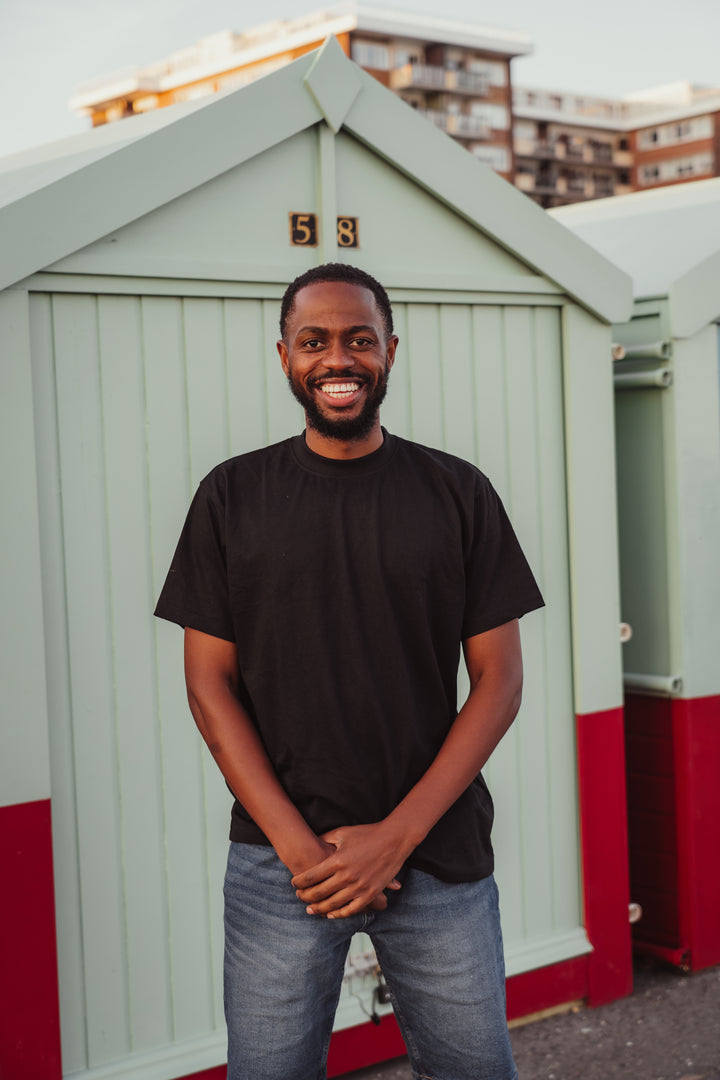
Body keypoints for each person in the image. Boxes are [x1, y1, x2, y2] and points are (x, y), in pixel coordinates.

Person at [154, 262, 544, 1080]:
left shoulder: (457, 492)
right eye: (315, 341)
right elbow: (207, 686)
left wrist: (393, 840)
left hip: (437, 857)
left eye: (359, 339)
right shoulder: (230, 497)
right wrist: (302, 851)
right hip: (277, 865)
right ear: (285, 356)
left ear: (391, 351)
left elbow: (500, 683)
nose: (339, 358)